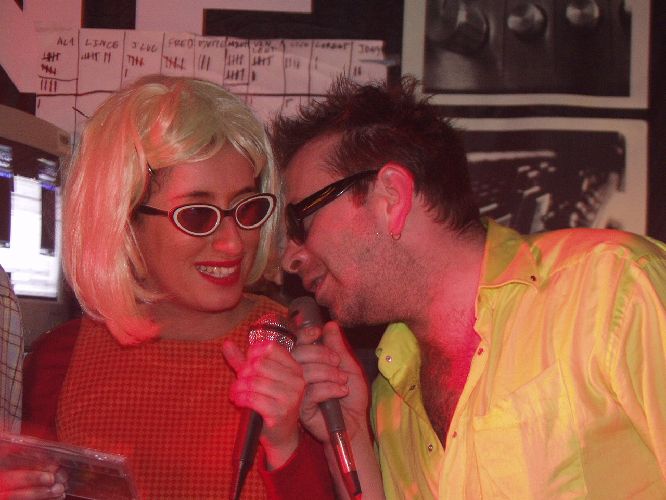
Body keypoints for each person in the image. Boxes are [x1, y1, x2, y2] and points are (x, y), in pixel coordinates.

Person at [271, 77, 666, 498]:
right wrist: (350, 434)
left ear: (391, 196)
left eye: (301, 221)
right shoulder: (393, 390)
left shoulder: (613, 286)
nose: (290, 257)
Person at [7, 75, 332, 499]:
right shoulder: (59, 361)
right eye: (197, 215)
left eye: (247, 209)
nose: (234, 242)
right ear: (125, 221)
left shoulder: (298, 349)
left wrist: (287, 447)